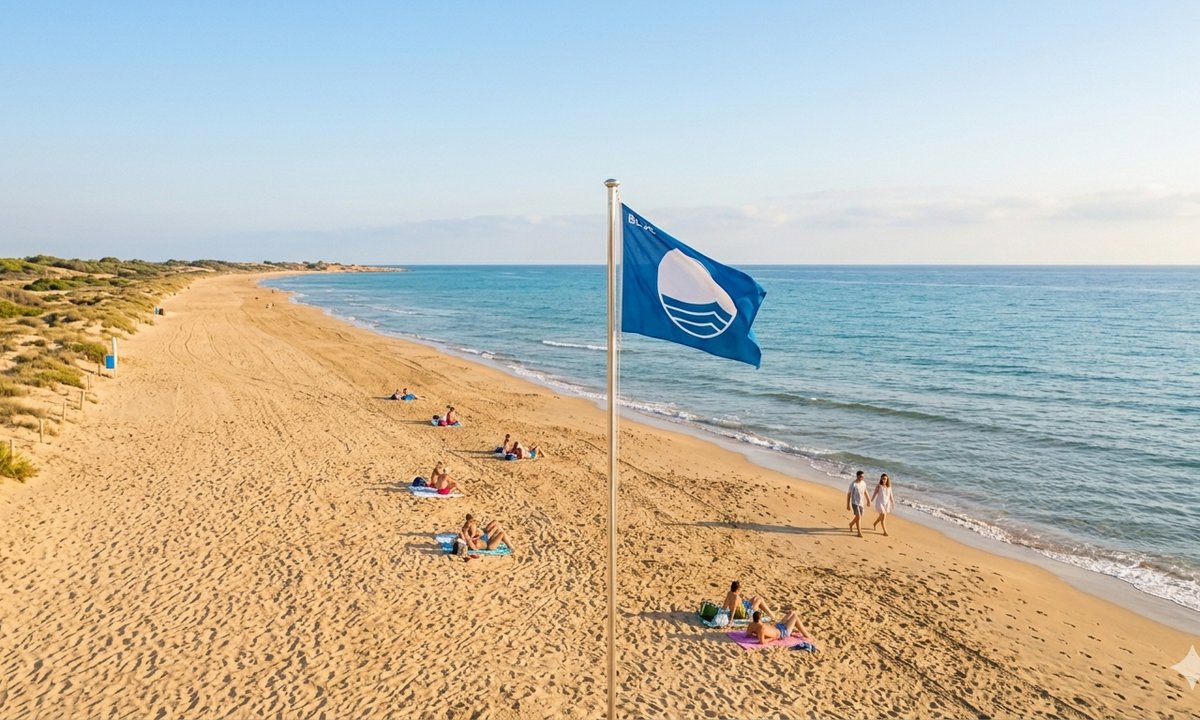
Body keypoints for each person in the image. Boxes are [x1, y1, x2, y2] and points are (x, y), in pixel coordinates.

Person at [747, 609, 813, 645]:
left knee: (791, 612)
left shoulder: (751, 625)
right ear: (760, 618)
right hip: (782, 633)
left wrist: (756, 635)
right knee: (795, 617)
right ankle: (807, 636)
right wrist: (771, 639)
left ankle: (803, 633)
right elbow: (762, 642)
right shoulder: (761, 627)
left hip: (777, 626)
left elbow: (748, 635)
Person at [847, 470, 869, 538]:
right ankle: (859, 532)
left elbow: (865, 491)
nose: (862, 478)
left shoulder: (863, 483)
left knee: (858, 517)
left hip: (861, 503)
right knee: (859, 517)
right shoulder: (853, 484)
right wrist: (847, 504)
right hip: (854, 503)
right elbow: (849, 494)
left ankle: (851, 524)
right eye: (861, 476)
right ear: (857, 476)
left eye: (863, 477)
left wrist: (868, 500)